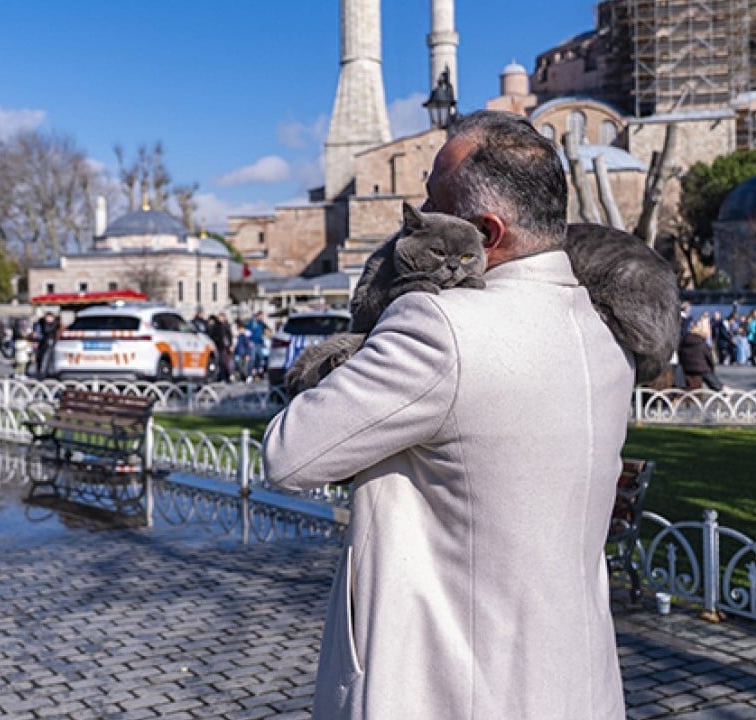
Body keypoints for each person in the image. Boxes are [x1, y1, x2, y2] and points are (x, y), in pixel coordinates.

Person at [264, 111, 631, 719]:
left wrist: (352, 350)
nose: (414, 218)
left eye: (434, 201)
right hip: (576, 690)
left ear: (486, 234)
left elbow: (289, 455)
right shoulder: (601, 334)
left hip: (451, 690)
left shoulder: (440, 328)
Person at [679, 314, 724, 391]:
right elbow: (709, 358)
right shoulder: (702, 343)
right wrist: (712, 369)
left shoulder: (683, 340)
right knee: (708, 374)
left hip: (685, 369)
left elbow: (679, 354)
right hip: (701, 369)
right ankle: (721, 389)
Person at [32, 311, 60, 378]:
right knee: (41, 358)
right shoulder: (42, 322)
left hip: (50, 342)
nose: (47, 318)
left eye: (49, 317)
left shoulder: (55, 323)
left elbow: (47, 330)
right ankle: (42, 372)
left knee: (47, 358)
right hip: (43, 343)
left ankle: (44, 372)